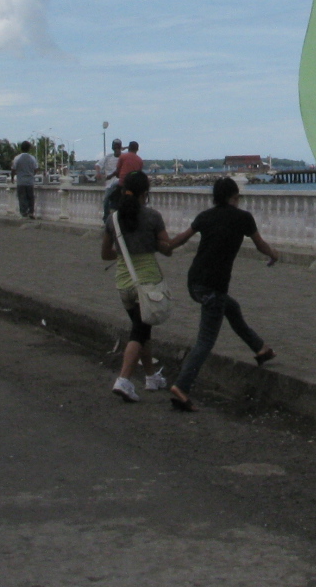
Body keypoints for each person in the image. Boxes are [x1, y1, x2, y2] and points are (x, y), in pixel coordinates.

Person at [163, 177, 278, 411]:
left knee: (232, 308)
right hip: (213, 287)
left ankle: (260, 349)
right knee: (205, 341)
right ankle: (181, 387)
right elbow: (259, 244)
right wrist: (273, 254)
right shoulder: (243, 218)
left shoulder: (205, 216)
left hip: (195, 282)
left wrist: (166, 247)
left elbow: (181, 238)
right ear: (234, 197)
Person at [101, 170, 172, 402]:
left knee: (143, 330)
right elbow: (167, 248)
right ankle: (124, 379)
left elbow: (105, 254)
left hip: (124, 281)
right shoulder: (152, 217)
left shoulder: (113, 219)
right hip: (147, 283)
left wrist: (124, 253)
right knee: (138, 333)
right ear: (145, 193)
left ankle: (151, 377)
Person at [11, 141, 39, 219]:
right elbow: (36, 169)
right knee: (30, 198)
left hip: (20, 181)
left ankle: (24, 213)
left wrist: (13, 178)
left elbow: (13, 169)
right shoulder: (32, 158)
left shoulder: (17, 158)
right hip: (30, 181)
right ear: (29, 148)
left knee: (22, 198)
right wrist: (32, 174)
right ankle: (31, 212)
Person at [98, 138, 123, 217]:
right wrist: (98, 173)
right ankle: (106, 218)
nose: (117, 149)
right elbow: (98, 165)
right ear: (113, 148)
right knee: (106, 200)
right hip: (110, 185)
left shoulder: (123, 157)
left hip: (121, 183)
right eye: (115, 148)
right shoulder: (108, 157)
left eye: (118, 147)